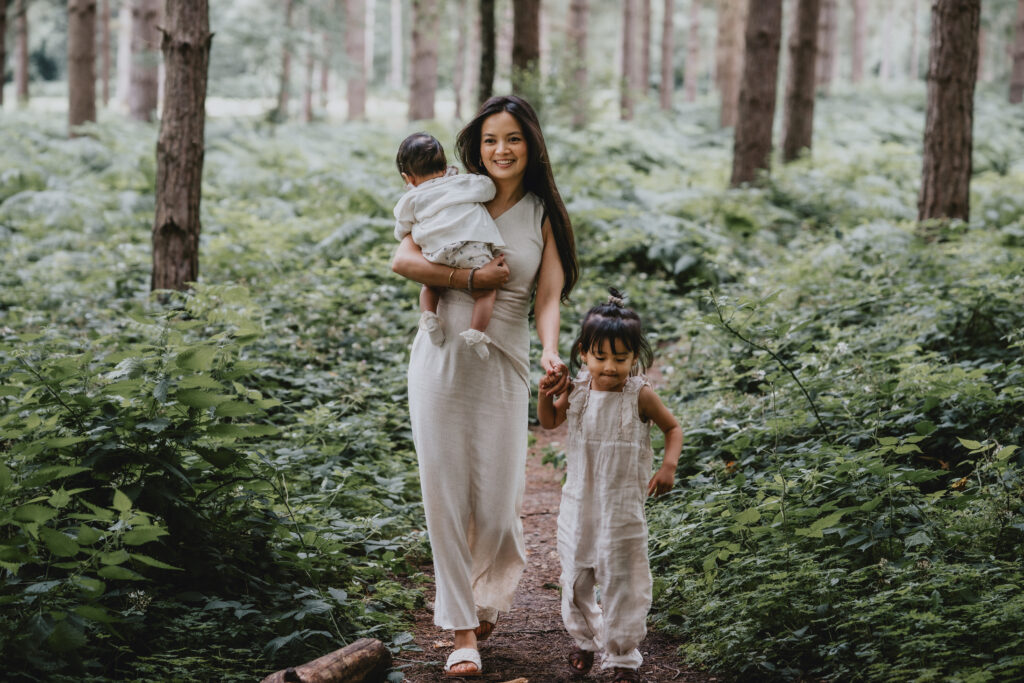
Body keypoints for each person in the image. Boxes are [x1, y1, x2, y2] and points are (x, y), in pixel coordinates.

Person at [391, 95, 578, 678]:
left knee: (498, 506)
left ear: (531, 146)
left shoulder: (541, 212)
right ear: (477, 145)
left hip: (504, 359)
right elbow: (403, 258)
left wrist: (551, 350)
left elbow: (546, 298)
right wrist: (469, 278)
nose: (502, 150)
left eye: (514, 139)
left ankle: (486, 595)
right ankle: (462, 631)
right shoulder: (451, 190)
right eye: (492, 140)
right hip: (443, 352)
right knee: (444, 496)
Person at [537, 289, 682, 683]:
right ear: (583, 353)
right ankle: (584, 639)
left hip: (621, 507)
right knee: (576, 575)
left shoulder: (641, 396)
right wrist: (543, 393)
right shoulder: (579, 392)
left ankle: (622, 657)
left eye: (621, 358)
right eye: (601, 357)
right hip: (579, 503)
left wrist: (668, 466)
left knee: (624, 577)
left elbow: (673, 428)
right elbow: (550, 422)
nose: (610, 367)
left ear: (635, 356)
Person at [393, 132, 506, 359]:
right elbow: (489, 189)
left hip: (436, 252)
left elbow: (401, 228)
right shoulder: (462, 183)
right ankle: (476, 332)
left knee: (431, 285)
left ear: (408, 178)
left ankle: (429, 317)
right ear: (445, 166)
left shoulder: (411, 199)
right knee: (485, 293)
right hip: (471, 249)